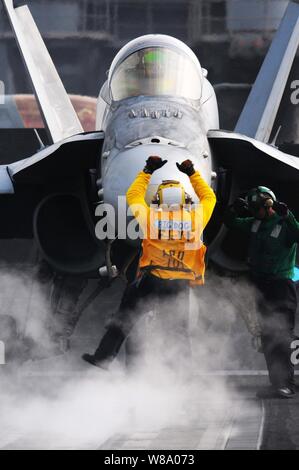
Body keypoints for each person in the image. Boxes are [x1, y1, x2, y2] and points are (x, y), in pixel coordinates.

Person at [82, 156, 216, 369]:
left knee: (124, 319)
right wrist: (192, 173)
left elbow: (133, 195)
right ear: (184, 200)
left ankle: (103, 358)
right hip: (179, 284)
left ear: (159, 200)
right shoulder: (196, 219)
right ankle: (185, 374)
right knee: (179, 332)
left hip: (151, 280)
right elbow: (209, 197)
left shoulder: (151, 219)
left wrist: (148, 169)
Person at [225, 186, 299, 398]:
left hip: (281, 287)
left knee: (282, 336)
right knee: (267, 337)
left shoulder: (285, 224)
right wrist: (233, 209)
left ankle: (287, 384)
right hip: (261, 287)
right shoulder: (256, 223)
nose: (254, 212)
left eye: (257, 208)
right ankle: (275, 384)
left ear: (268, 206)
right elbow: (231, 223)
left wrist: (290, 217)